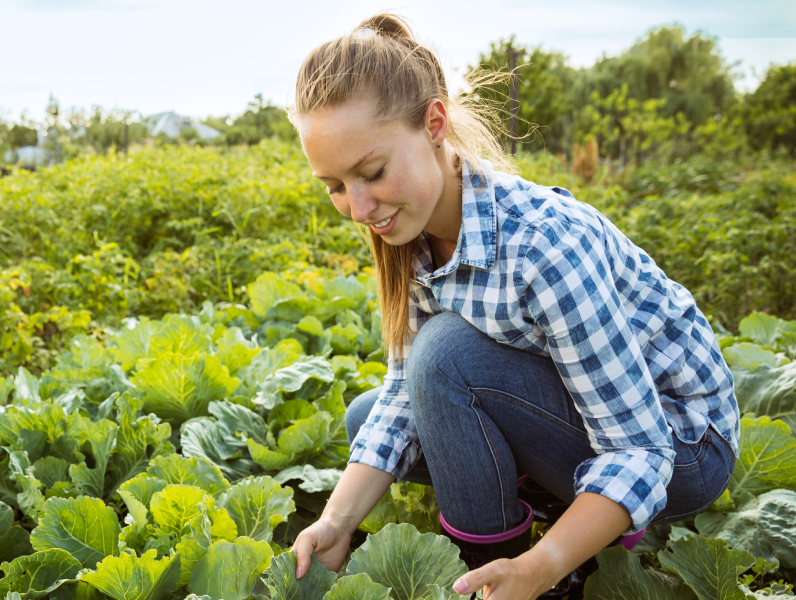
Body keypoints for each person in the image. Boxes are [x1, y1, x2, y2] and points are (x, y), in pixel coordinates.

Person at [287, 13, 740, 600]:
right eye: (335, 186)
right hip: (586, 417)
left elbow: (641, 448)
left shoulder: (543, 245)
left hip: (678, 445)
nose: (359, 206)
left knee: (445, 355)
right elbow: (403, 393)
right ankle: (553, 536)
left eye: (372, 172)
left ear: (434, 123)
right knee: (370, 416)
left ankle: (520, 569)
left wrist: (541, 566)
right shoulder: (407, 229)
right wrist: (336, 521)